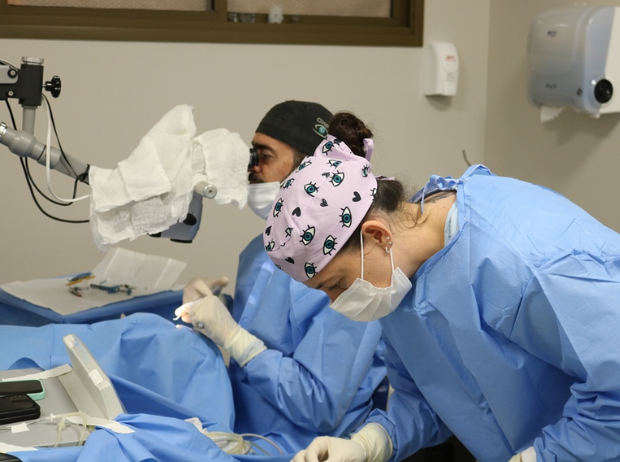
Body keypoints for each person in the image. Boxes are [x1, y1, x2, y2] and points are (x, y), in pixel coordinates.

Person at [262, 112, 620, 462]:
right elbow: (435, 397)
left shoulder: (523, 259)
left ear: (376, 235)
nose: (337, 303)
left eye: (336, 285)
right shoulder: (400, 274)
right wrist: (372, 442)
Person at [177, 101, 387, 456]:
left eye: (264, 156)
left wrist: (233, 336)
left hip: (302, 448)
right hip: (239, 427)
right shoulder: (259, 251)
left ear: (307, 168)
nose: (252, 169)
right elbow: (264, 330)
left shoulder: (347, 270)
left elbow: (319, 405)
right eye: (250, 156)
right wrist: (215, 310)